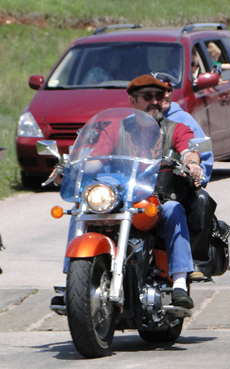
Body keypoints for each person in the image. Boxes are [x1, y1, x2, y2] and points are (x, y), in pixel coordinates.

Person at [64, 75, 201, 309]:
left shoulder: (175, 129)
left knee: (174, 209)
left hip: (156, 196)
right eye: (148, 97)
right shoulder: (116, 130)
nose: (154, 102)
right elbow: (98, 156)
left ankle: (179, 283)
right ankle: (72, 278)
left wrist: (192, 162)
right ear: (132, 101)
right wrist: (77, 166)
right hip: (121, 196)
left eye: (158, 96)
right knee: (81, 207)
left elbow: (189, 149)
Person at [152, 72, 218, 279]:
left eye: (167, 90)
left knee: (201, 200)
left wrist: (196, 172)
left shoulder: (183, 121)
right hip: (142, 187)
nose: (163, 96)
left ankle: (197, 263)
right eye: (156, 92)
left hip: (175, 186)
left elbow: (200, 152)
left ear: (172, 93)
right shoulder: (135, 120)